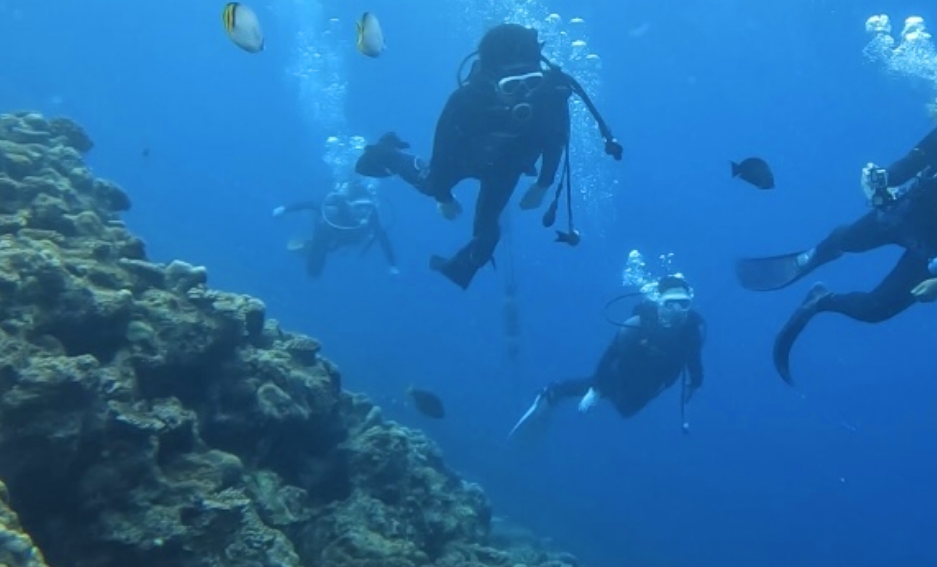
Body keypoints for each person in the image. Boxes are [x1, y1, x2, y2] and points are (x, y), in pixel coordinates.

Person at [735, 87, 937, 383]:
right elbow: (913, 161)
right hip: (907, 210)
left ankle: (819, 302)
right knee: (850, 240)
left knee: (875, 310)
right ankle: (816, 255)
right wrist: (883, 178)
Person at [355, 23, 622, 290]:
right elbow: (443, 150)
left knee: (487, 233)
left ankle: (460, 269)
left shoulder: (550, 95)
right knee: (430, 185)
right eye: (511, 86)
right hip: (463, 157)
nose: (525, 93)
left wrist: (543, 184)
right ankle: (385, 153)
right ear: (491, 79)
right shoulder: (465, 100)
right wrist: (443, 195)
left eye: (532, 82)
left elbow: (556, 140)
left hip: (507, 164)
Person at [510, 275, 705, 439]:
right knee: (605, 388)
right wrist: (596, 389)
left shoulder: (691, 332)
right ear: (659, 302)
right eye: (670, 304)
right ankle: (553, 392)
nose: (677, 311)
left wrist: (695, 383)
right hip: (625, 372)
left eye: (683, 304)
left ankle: (572, 393)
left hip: (653, 382)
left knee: (626, 409)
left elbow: (694, 360)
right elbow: (610, 355)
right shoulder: (638, 324)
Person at [273, 178, 398, 279]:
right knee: (314, 272)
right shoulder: (338, 207)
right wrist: (284, 209)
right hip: (327, 233)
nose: (364, 211)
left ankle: (309, 247)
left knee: (331, 250)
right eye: (359, 207)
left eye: (368, 207)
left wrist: (392, 265)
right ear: (349, 205)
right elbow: (310, 205)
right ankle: (308, 248)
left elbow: (383, 238)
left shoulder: (371, 216)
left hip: (348, 237)